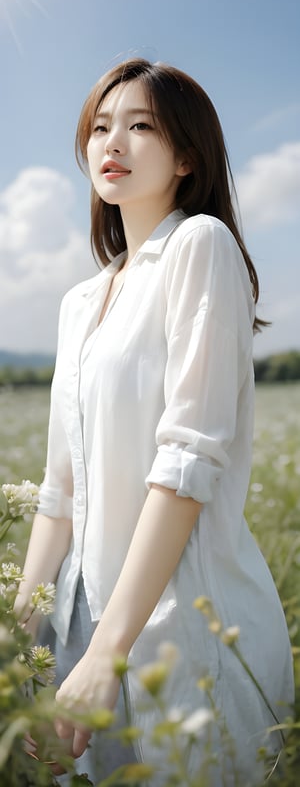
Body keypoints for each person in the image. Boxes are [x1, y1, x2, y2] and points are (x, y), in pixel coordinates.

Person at [15, 58, 294, 785]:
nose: (114, 141)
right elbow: (59, 491)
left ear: (186, 156)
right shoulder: (81, 301)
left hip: (184, 638)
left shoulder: (199, 247)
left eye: (142, 126)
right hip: (83, 637)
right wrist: (19, 639)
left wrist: (111, 654)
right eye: (101, 126)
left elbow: (185, 466)